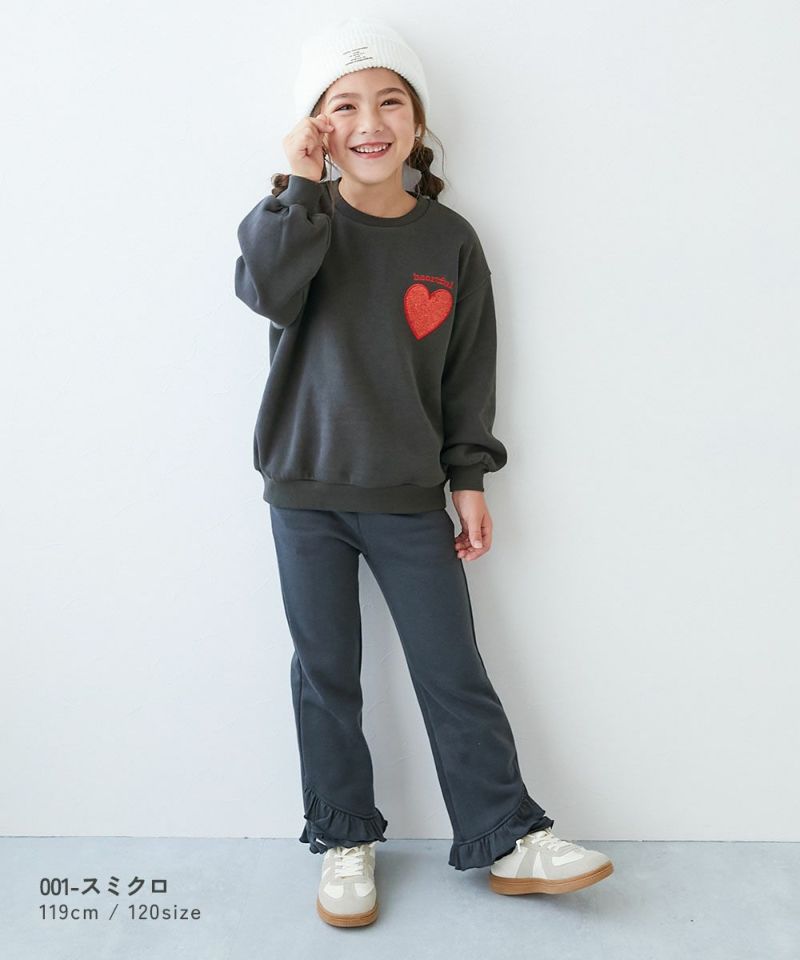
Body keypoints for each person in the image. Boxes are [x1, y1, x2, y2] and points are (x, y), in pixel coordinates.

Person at [234, 16, 613, 928]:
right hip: (307, 494)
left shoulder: (452, 240)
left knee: (453, 671)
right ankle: (344, 838)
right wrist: (300, 182)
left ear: (418, 121)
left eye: (390, 102)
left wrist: (468, 477)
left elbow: (467, 372)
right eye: (344, 106)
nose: (370, 123)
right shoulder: (297, 220)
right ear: (318, 125)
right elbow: (265, 292)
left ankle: (506, 835)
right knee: (326, 675)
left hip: (409, 498)